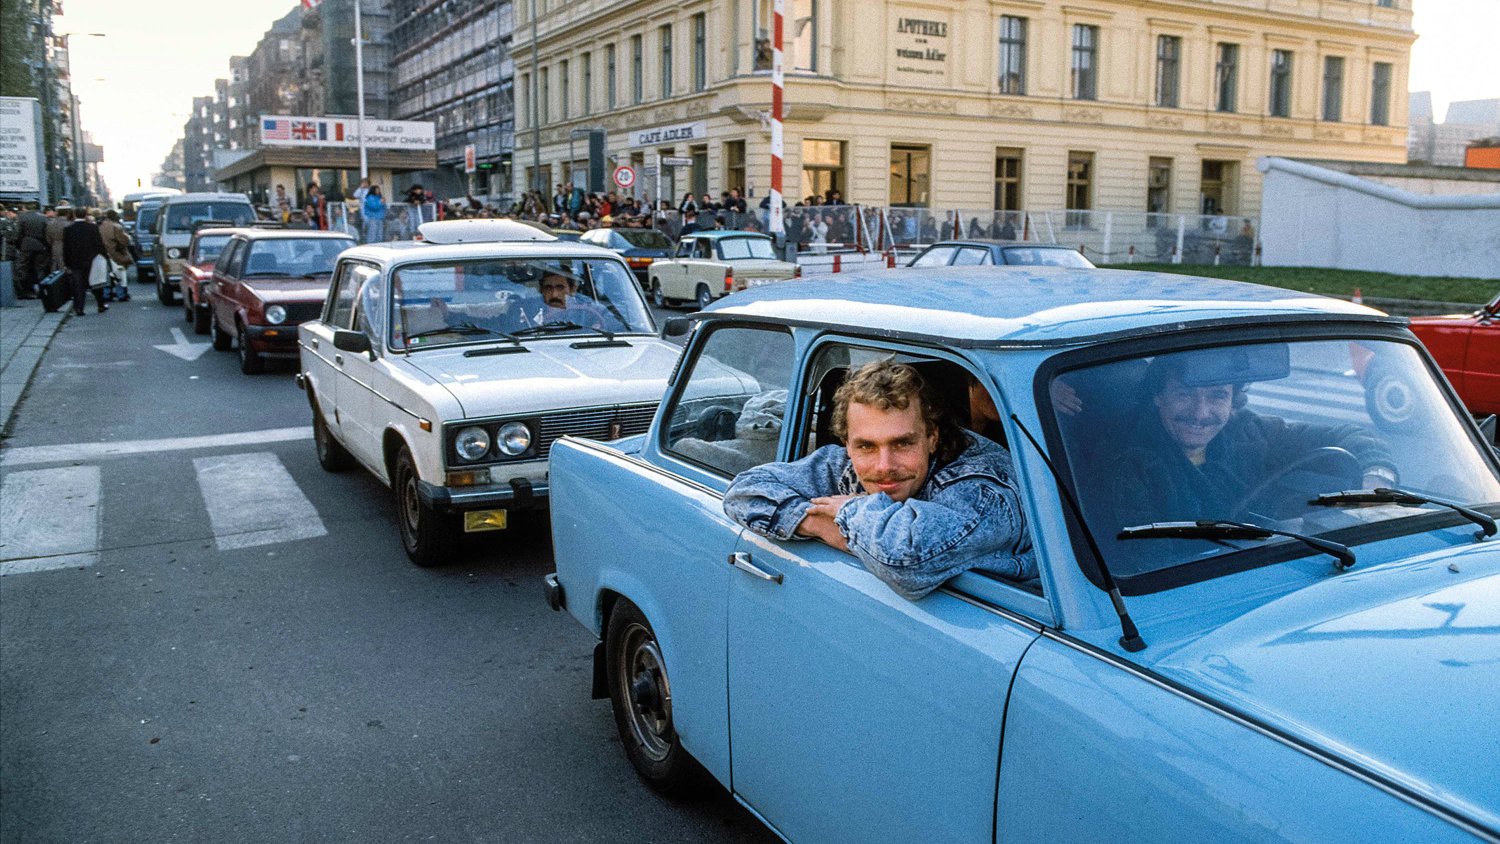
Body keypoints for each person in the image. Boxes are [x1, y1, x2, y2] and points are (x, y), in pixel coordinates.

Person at [724, 360, 1035, 600]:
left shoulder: (984, 488)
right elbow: (743, 492)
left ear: (931, 437)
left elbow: (906, 560)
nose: (884, 466)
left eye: (902, 443)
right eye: (866, 446)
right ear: (847, 445)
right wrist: (819, 524)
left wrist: (848, 513)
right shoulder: (843, 463)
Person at [1109, 352, 1397, 530]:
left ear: (1233, 401)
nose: (1201, 413)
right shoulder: (1129, 466)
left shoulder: (1249, 432)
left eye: (1217, 396)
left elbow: (1348, 435)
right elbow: (1153, 567)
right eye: (1184, 394)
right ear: (1158, 397)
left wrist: (1375, 480)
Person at [61, 207, 108, 315]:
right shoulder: (92, 227)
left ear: (74, 215)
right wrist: (104, 256)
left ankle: (79, 308)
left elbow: (66, 248)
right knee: (96, 283)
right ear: (86, 215)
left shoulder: (68, 229)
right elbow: (99, 244)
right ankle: (100, 305)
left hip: (75, 261)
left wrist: (66, 263)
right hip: (92, 259)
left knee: (78, 285)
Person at [531, 270, 604, 329]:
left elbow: (608, 318)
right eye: (548, 288)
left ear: (572, 289)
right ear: (542, 290)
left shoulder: (586, 309)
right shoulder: (531, 308)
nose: (554, 295)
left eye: (560, 288)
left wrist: (596, 327)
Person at [15, 205, 51, 299]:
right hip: (40, 245)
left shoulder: (22, 217)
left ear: (26, 208)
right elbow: (47, 234)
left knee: (23, 268)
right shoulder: (44, 218)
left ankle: (25, 291)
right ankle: (42, 291)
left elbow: (18, 234)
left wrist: (19, 244)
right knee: (40, 268)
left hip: (26, 245)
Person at [97, 210, 133, 301]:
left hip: (102, 254)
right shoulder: (116, 226)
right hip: (115, 253)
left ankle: (106, 294)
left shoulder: (99, 226)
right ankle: (121, 294)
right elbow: (124, 241)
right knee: (120, 275)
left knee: (106, 275)